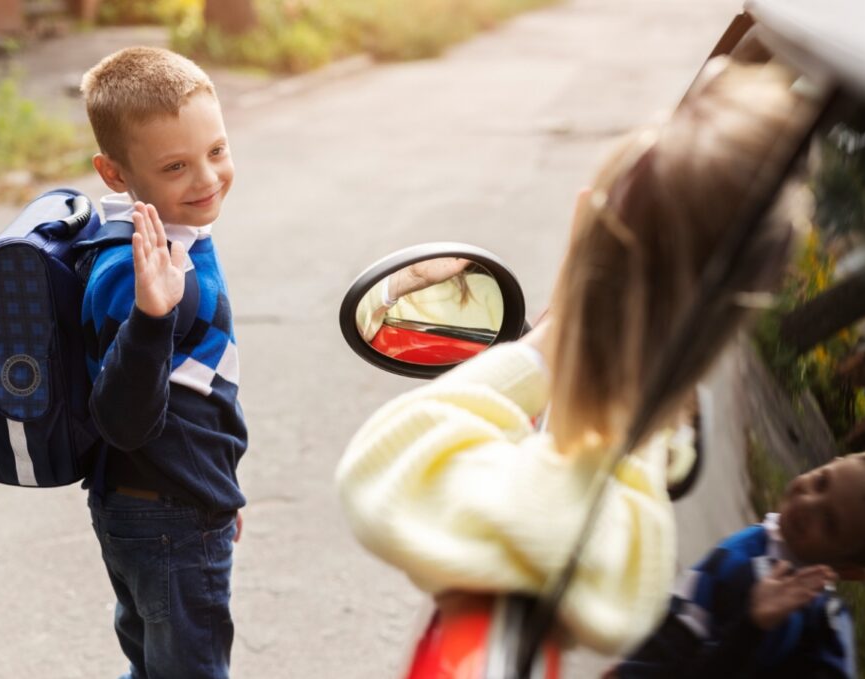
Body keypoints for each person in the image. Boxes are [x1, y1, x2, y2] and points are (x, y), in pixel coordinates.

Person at [336, 57, 816, 658]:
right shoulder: (636, 490)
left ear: (584, 228)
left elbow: (389, 464)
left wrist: (551, 345)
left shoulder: (570, 520)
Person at [79, 46, 246, 678]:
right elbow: (121, 418)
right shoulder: (135, 271)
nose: (206, 179)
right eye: (176, 165)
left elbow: (199, 395)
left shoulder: (178, 235)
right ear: (116, 173)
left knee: (157, 665)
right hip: (166, 513)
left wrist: (221, 494)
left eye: (217, 151)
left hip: (174, 504)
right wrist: (151, 317)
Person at [614, 452, 865, 678]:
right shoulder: (777, 541)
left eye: (830, 524)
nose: (808, 503)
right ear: (831, 463)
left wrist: (753, 625)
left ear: (847, 570)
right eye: (821, 482)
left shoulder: (783, 612)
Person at [354, 257, 505, 343]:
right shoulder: (399, 298)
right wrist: (411, 277)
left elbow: (508, 343)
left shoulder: (484, 287)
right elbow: (357, 328)